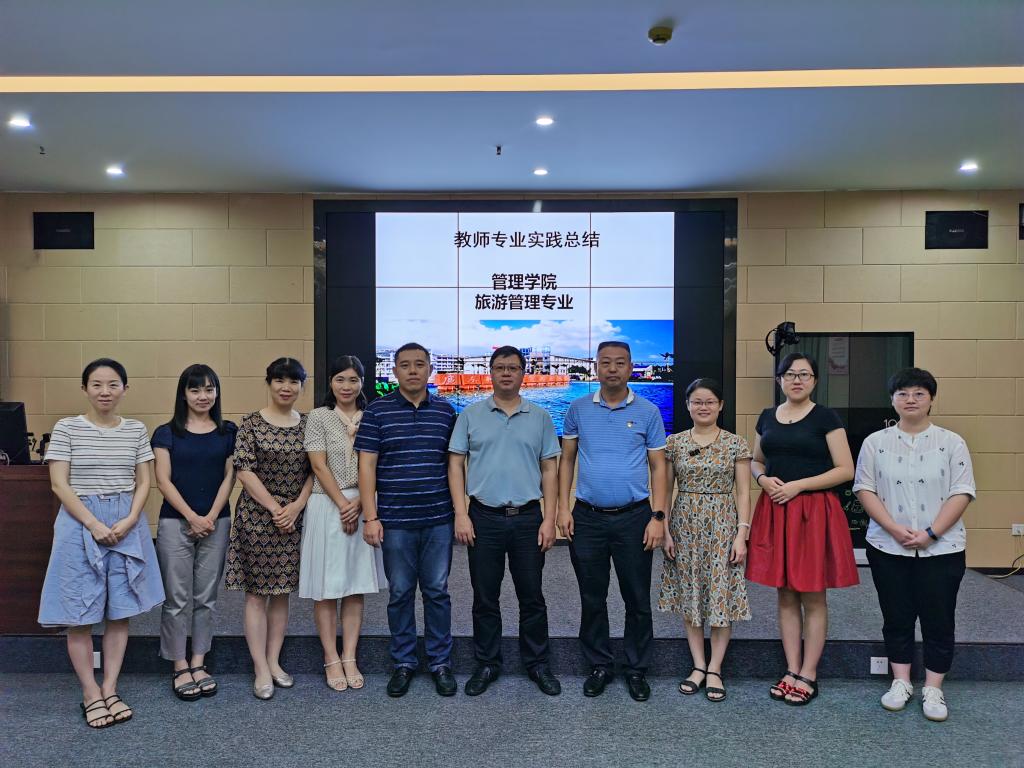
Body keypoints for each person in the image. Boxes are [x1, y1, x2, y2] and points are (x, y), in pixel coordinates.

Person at [38, 358, 164, 729]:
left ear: (125, 388)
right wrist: (93, 523)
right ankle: (90, 693)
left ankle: (110, 688)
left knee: (119, 611)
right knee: (79, 614)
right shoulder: (67, 428)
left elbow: (144, 481)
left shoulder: (136, 430)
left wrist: (130, 519)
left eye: (112, 384)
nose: (105, 391)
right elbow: (59, 483)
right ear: (85, 389)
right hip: (80, 521)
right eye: (96, 384)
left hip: (126, 521)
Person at [854, 367, 975, 722]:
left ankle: (934, 688)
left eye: (919, 393)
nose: (911, 399)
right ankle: (901, 682)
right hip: (887, 546)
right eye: (903, 393)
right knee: (897, 615)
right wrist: (894, 529)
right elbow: (864, 488)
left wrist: (931, 533)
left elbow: (961, 491)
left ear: (931, 399)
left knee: (939, 618)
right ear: (892, 400)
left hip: (943, 548)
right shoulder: (875, 442)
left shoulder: (951, 442)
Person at [556, 340, 668, 702]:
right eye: (605, 362)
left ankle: (636, 668)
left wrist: (658, 516)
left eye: (620, 363)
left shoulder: (649, 411)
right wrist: (562, 508)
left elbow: (659, 467)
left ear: (631, 367)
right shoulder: (577, 409)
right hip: (587, 518)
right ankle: (599, 665)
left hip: (635, 518)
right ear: (596, 367)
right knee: (592, 596)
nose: (613, 369)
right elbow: (567, 460)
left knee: (637, 597)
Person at [449, 345, 562, 697]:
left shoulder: (540, 417)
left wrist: (550, 518)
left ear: (523, 373)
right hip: (484, 517)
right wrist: (461, 514)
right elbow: (455, 465)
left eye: (513, 368)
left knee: (532, 596)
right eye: (500, 368)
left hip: (528, 518)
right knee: (485, 596)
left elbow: (550, 469)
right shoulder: (470, 415)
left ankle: (538, 664)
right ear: (491, 372)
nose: (506, 373)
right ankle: (487, 663)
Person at [746, 352, 858, 706]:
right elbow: (756, 461)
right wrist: (762, 480)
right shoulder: (767, 416)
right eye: (791, 374)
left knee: (812, 593)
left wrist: (799, 486)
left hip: (813, 511)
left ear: (814, 381)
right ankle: (791, 668)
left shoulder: (826, 417)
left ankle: (809, 673)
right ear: (779, 380)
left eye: (805, 374)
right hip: (776, 509)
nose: (797, 380)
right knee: (785, 593)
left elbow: (845, 470)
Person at [356, 342, 459, 698]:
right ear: (394, 370)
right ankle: (403, 662)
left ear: (430, 368)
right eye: (405, 365)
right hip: (395, 520)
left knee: (437, 592)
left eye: (419, 364)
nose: (412, 370)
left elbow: (454, 465)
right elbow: (367, 466)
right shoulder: (377, 411)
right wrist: (371, 517)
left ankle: (440, 663)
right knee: (400, 592)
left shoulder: (446, 412)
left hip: (438, 518)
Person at [658, 378, 752, 702]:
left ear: (720, 405)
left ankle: (715, 668)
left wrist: (742, 534)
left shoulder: (736, 443)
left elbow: (744, 492)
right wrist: (665, 529)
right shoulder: (674, 443)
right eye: (697, 401)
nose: (703, 407)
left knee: (720, 595)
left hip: (723, 526)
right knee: (691, 594)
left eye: (710, 401)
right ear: (687, 405)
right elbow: (665, 490)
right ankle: (698, 665)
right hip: (684, 524)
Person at [225, 357, 313, 700]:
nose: (286, 387)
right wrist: (276, 508)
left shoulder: (308, 424)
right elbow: (244, 469)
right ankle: (259, 666)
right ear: (269, 383)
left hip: (293, 518)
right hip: (257, 518)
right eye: (279, 380)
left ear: (302, 386)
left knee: (281, 592)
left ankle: (274, 661)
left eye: (293, 381)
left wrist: (297, 506)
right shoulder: (250, 423)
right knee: (256, 593)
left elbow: (315, 470)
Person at [300, 355, 385, 692]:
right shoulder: (318, 417)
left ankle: (349, 655)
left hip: (363, 503)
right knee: (325, 588)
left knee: (354, 584)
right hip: (326, 504)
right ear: (330, 382)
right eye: (340, 379)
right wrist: (343, 505)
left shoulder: (373, 415)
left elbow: (377, 465)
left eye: (353, 380)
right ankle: (330, 657)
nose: (347, 386)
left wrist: (361, 502)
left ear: (362, 382)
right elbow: (318, 466)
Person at [153, 364, 237, 701]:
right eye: (195, 389)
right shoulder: (166, 432)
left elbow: (230, 478)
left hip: (218, 521)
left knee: (206, 597)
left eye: (209, 389)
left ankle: (199, 662)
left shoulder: (228, 432)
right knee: (176, 599)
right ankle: (179, 664)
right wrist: (191, 516)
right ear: (183, 394)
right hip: (175, 522)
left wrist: (211, 516)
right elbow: (162, 480)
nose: (203, 396)